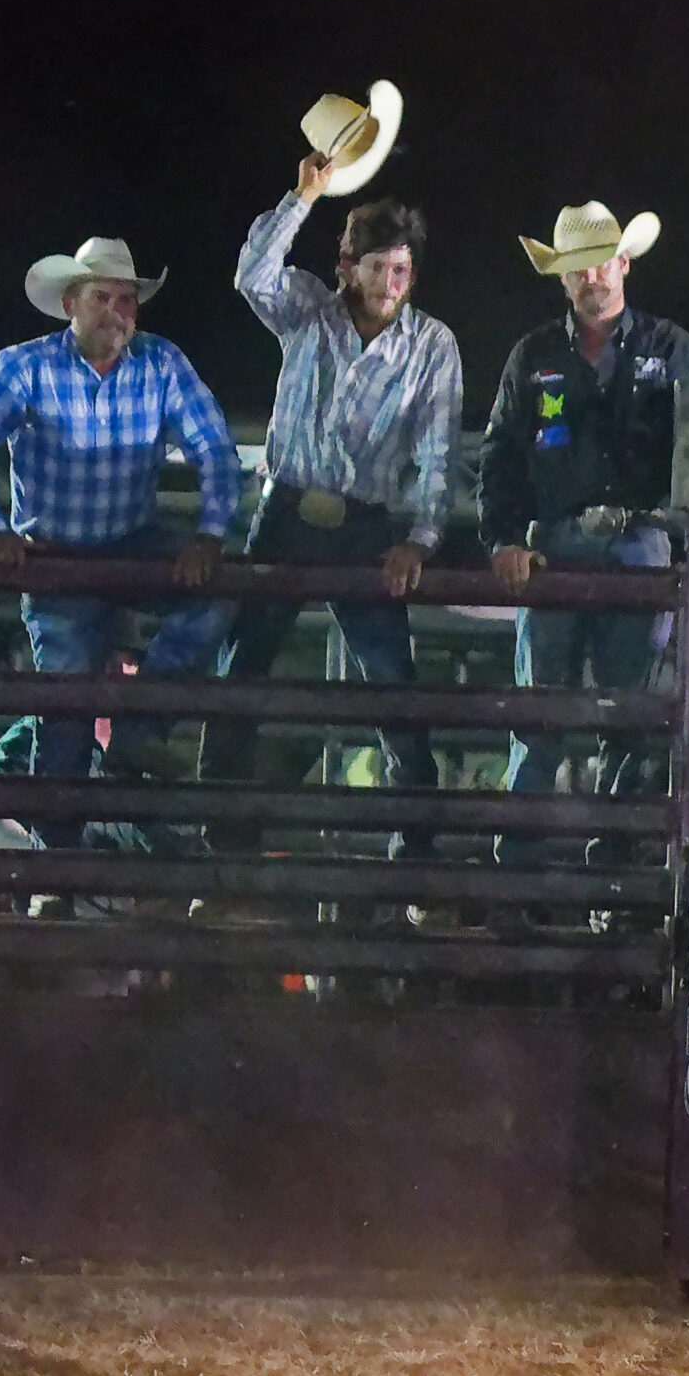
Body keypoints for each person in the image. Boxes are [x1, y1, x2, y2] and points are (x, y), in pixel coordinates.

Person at [196, 134, 463, 877]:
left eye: (401, 268)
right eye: (377, 266)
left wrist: (420, 537)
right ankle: (223, 850)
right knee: (240, 670)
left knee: (394, 687)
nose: (390, 281)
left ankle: (417, 853)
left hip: (363, 523)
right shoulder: (309, 310)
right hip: (285, 510)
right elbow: (253, 273)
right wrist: (303, 197)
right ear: (348, 267)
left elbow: (439, 453)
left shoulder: (432, 346)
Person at [479, 201, 689, 875]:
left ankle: (608, 859)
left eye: (601, 261)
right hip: (555, 543)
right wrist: (500, 541)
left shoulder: (670, 349)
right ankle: (521, 866)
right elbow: (499, 457)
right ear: (563, 279)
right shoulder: (534, 355)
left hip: (640, 537)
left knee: (630, 714)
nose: (592, 276)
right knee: (543, 709)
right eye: (577, 268)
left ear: (623, 264)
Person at [0, 236, 242, 835]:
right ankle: (56, 867)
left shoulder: (160, 363)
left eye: (127, 300)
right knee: (66, 716)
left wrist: (210, 534)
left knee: (215, 598)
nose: (118, 312)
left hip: (125, 539)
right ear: (72, 303)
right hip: (58, 553)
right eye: (103, 297)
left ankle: (136, 730)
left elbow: (216, 449)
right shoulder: (28, 366)